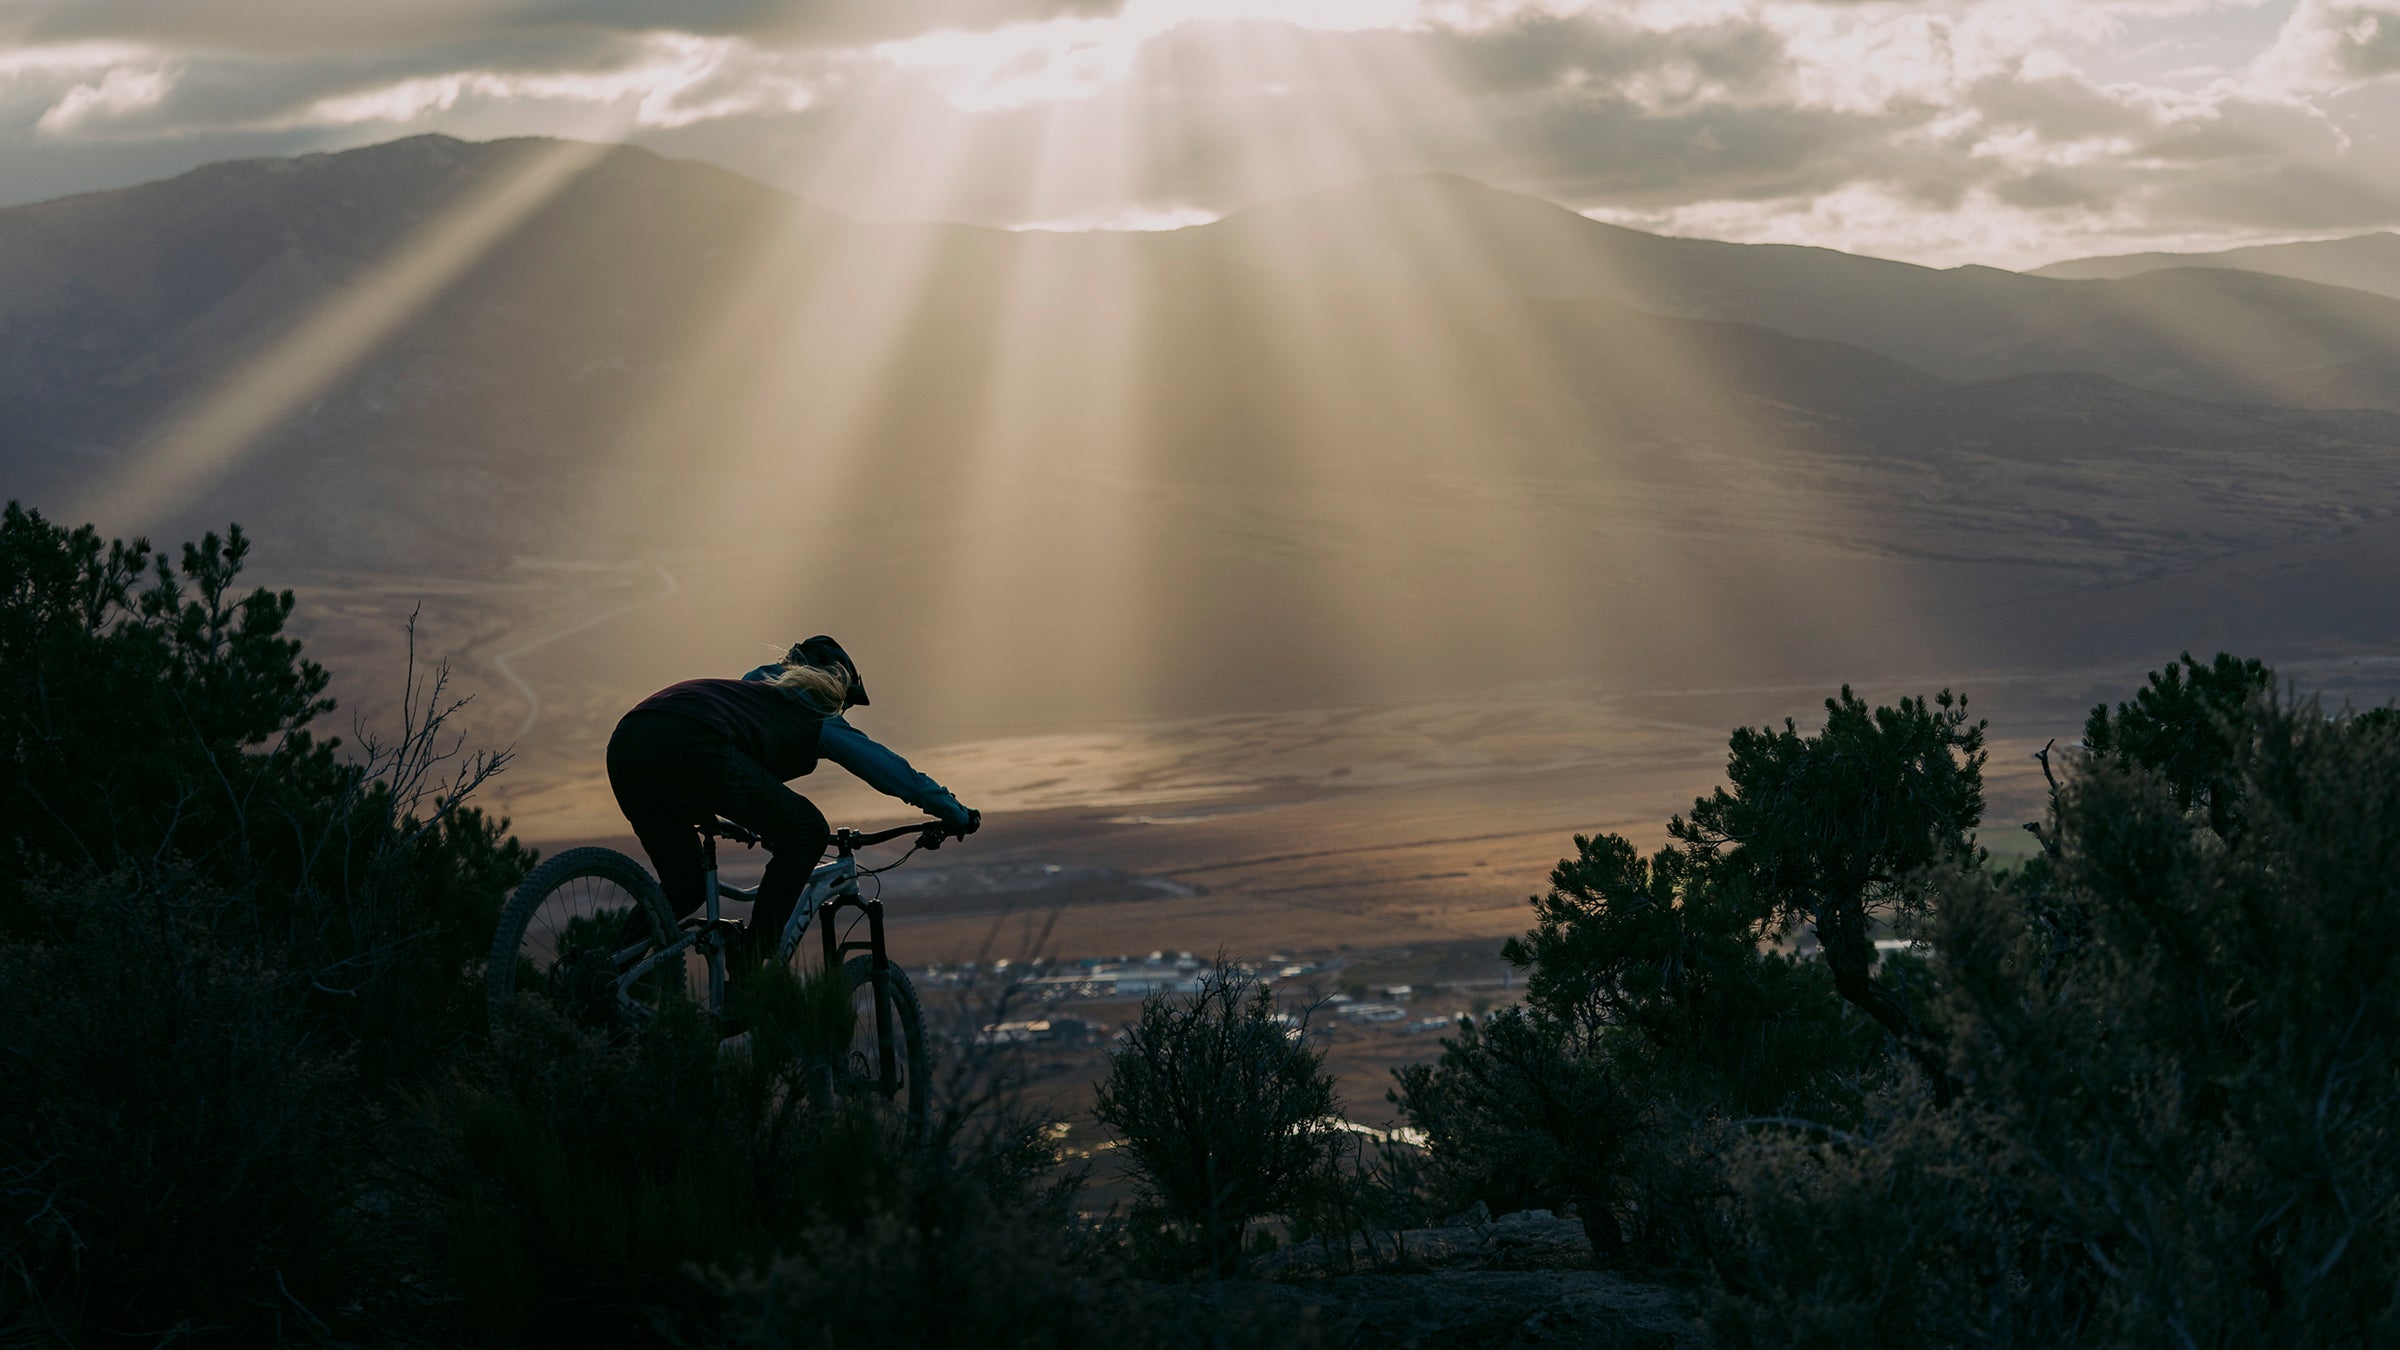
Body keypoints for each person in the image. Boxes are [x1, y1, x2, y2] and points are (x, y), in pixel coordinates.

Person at [605, 634, 978, 963]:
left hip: (628, 743)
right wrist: (955, 813)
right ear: (831, 685)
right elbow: (894, 773)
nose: (842, 713)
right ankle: (752, 963)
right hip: (694, 739)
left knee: (685, 886)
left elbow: (710, 765)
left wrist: (726, 816)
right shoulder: (813, 711)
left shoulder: (750, 695)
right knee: (807, 831)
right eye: (843, 704)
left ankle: (605, 968)